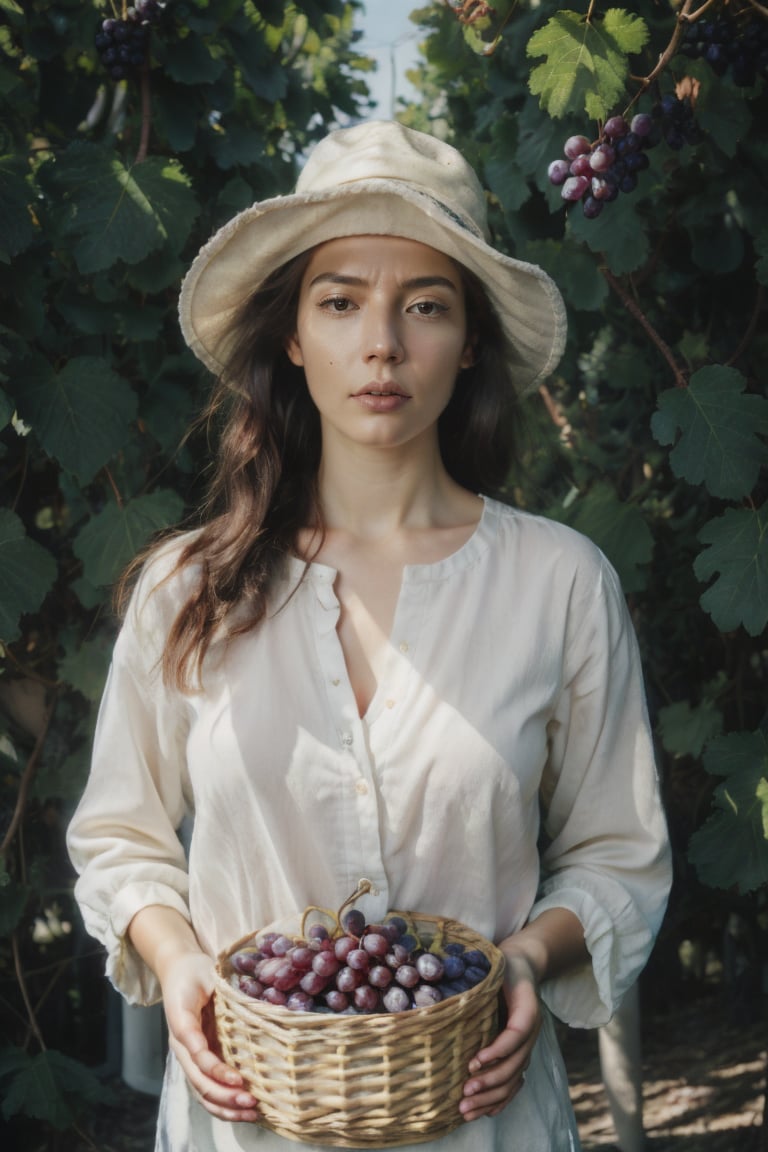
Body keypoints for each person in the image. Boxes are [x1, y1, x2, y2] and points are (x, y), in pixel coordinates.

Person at [67, 120, 672, 1152]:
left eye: (424, 306)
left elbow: (618, 854)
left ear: (469, 337)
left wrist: (525, 959)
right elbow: (119, 841)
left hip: (486, 1127)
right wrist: (175, 964)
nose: (381, 343)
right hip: (241, 1129)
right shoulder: (187, 590)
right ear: (294, 335)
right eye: (340, 301)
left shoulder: (559, 582)